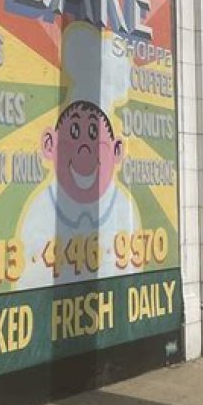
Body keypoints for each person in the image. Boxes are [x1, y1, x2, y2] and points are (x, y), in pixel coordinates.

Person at [17, 99, 141, 288]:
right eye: (74, 132)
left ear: (117, 150)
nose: (85, 147)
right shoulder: (40, 209)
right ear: (49, 144)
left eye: (94, 134)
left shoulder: (124, 207)